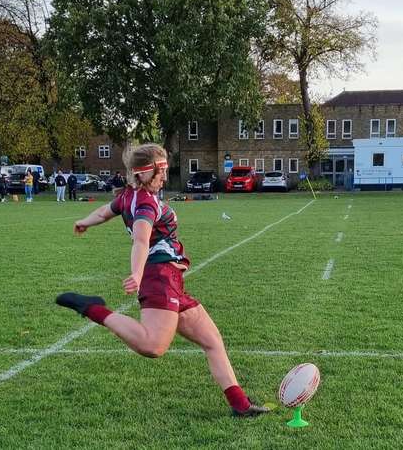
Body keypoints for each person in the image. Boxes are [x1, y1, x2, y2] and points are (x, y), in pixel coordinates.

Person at [55, 144, 269, 417]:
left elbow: (103, 212)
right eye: (162, 171)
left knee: (212, 340)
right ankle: (93, 308)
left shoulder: (127, 196)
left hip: (172, 279)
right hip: (159, 277)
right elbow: (141, 240)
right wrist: (136, 272)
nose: (165, 177)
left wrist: (84, 221)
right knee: (153, 346)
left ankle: (241, 405)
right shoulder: (143, 201)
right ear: (145, 173)